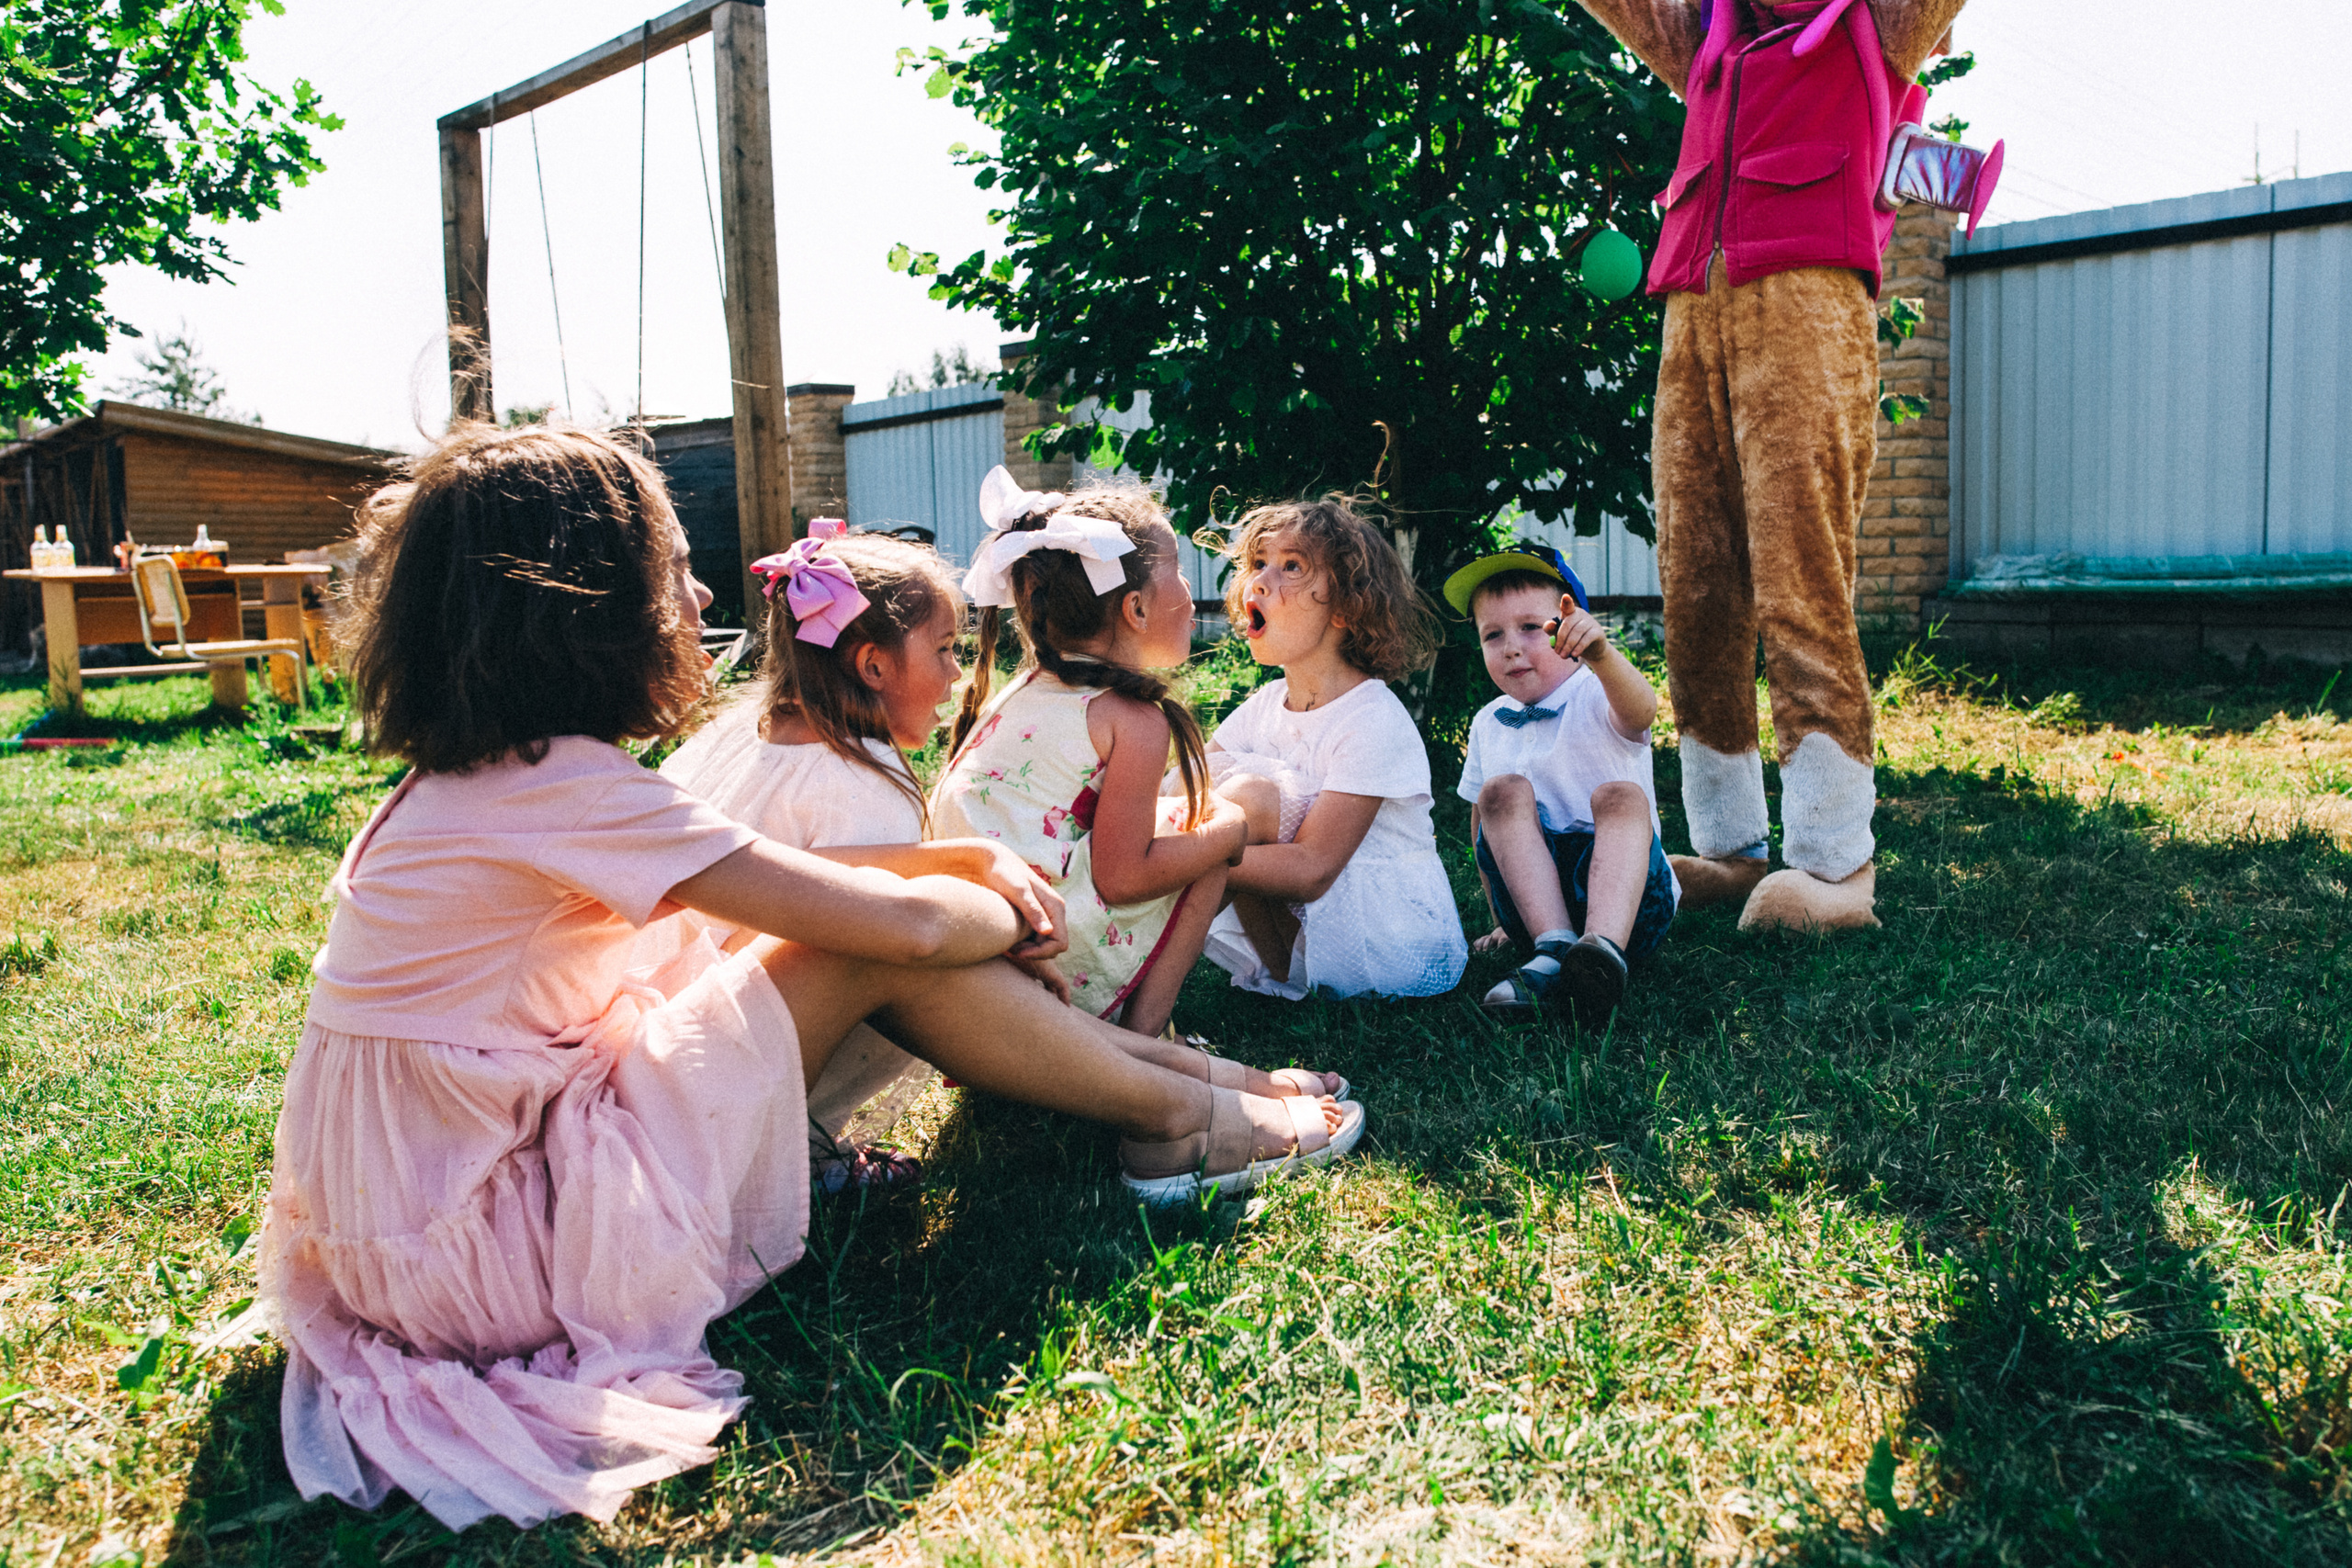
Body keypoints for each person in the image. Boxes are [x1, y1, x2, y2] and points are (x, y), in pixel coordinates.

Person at [254, 425, 1360, 1532]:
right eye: (671, 572)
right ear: (585, 607)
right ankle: (1180, 1114)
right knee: (869, 942)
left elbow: (801, 879)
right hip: (489, 1245)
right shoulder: (572, 788)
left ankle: (1186, 1094)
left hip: (427, 1214)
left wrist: (955, 858)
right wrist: (1003, 900)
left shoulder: (487, 776)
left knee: (838, 930)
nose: (700, 595)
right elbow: (899, 932)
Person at [656, 520, 962, 1192]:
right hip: (751, 1042)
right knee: (898, 943)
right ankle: (796, 1143)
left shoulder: (743, 734)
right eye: (943, 649)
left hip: (668, 1033)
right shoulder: (862, 779)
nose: (956, 673)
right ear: (874, 665)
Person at [932, 467, 1249, 1040]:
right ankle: (1143, 1045)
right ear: (1137, 610)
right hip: (1046, 960)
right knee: (1212, 830)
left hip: (975, 971)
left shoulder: (1026, 688)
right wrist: (1232, 833)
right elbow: (1124, 877)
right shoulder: (1132, 719)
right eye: (1176, 571)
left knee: (1182, 822)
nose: (1185, 589)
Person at [1200, 498, 1469, 1000]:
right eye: (1259, 564)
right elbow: (1188, 788)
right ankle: (1118, 955)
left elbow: (1313, 870)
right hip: (1296, 950)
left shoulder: (1372, 717)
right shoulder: (1267, 704)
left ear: (1346, 606)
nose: (1259, 581)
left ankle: (1125, 972)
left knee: (1243, 803)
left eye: (1292, 567)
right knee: (1223, 799)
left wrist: (1188, 858)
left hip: (1383, 944)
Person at [1445, 543, 1679, 1022]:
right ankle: (1553, 949)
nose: (1511, 646)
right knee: (1499, 793)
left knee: (1620, 797)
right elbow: (1482, 830)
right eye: (1493, 635)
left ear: (1573, 626)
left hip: (1631, 901)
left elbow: (1642, 712)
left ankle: (1602, 953)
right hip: (1535, 907)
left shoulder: (1598, 691)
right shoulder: (1489, 721)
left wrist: (1603, 656)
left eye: (1532, 628)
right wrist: (1502, 921)